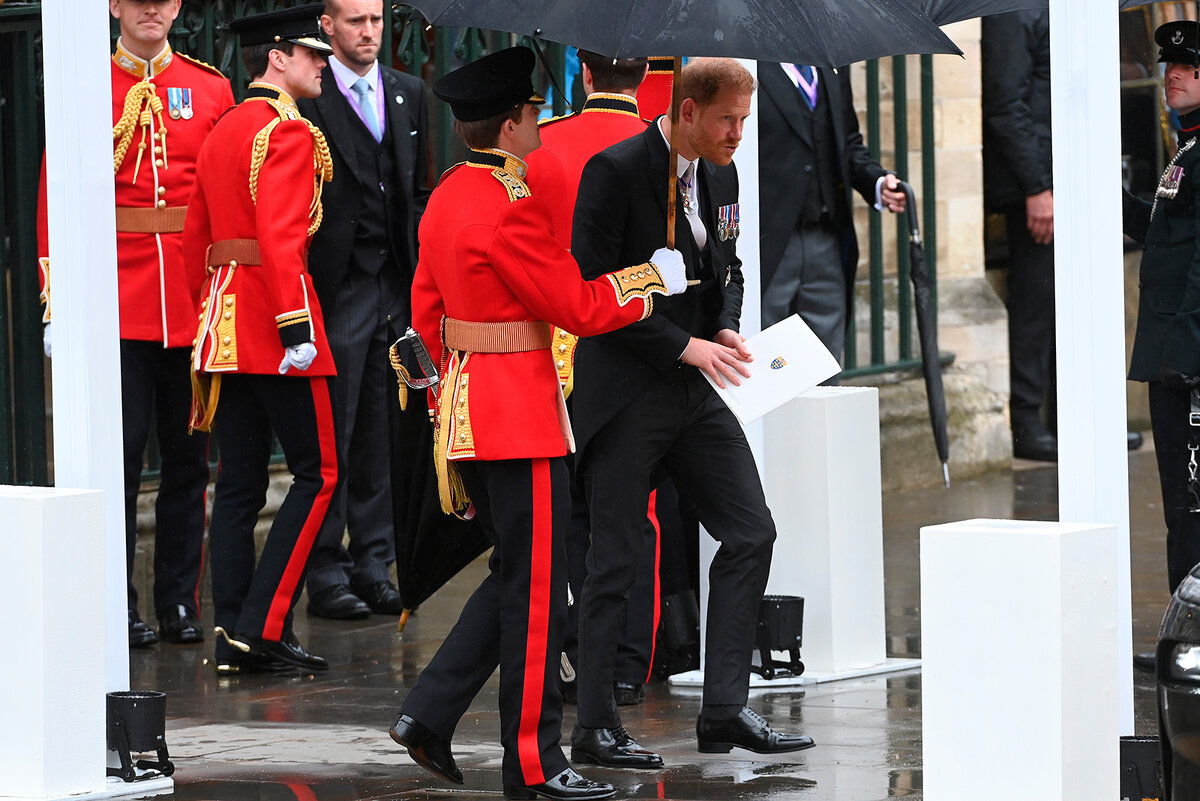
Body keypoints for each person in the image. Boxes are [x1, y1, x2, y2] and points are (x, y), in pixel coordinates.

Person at [385, 45, 686, 801]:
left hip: (466, 409)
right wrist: (652, 278)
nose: (541, 126)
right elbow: (577, 306)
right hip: (518, 415)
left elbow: (426, 310)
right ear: (514, 123)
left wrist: (440, 401)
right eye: (533, 116)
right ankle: (533, 760)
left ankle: (428, 713)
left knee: (522, 574)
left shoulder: (452, 194)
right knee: (538, 591)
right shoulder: (508, 207)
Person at [569, 57, 815, 767]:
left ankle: (725, 708)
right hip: (624, 392)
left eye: (745, 120)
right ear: (685, 111)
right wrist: (683, 344)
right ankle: (594, 723)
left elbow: (730, 266)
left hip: (694, 389)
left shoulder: (725, 171)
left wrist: (728, 326)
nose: (738, 133)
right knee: (614, 558)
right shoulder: (614, 172)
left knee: (749, 530)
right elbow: (592, 292)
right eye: (726, 120)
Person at [37, 0, 233, 649]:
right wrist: (57, 298)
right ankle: (113, 604)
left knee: (187, 462)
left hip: (190, 301)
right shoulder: (88, 85)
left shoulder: (209, 88)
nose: (152, 11)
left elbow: (226, 195)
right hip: (115, 302)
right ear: (115, 6)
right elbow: (53, 193)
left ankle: (178, 600)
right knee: (116, 462)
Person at [183, 4, 338, 675]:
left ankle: (232, 633)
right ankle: (263, 625)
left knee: (239, 482)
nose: (323, 64)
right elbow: (281, 240)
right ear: (278, 58)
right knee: (321, 472)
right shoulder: (286, 131)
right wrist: (295, 325)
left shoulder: (222, 130)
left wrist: (208, 315)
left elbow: (196, 242)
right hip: (277, 322)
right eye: (313, 53)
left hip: (225, 322)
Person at [527, 50, 662, 711]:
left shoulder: (544, 146)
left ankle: (574, 652)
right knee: (633, 514)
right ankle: (630, 662)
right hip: (636, 349)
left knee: (566, 513)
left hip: (558, 349)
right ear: (644, 75)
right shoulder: (662, 149)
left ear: (582, 74)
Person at [294, 0, 430, 621]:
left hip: (395, 284)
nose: (368, 32)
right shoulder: (309, 95)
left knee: (385, 425)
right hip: (339, 284)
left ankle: (375, 562)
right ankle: (326, 570)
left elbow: (418, 189)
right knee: (337, 430)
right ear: (326, 26)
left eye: (375, 19)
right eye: (354, 21)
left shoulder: (408, 92)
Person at [1124, 19, 1200, 671]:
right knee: (1179, 501)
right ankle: (1184, 632)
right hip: (1172, 357)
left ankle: (1192, 637)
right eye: (1170, 68)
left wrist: (1187, 355)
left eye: (1189, 70)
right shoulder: (1185, 151)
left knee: (1194, 500)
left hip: (1189, 363)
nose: (1173, 75)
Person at [757, 61, 905, 361]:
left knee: (823, 362)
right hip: (767, 241)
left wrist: (877, 182)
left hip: (826, 237)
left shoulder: (832, 65)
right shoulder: (744, 62)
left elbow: (847, 143)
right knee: (763, 359)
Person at [981, 10, 1058, 462]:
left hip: (1061, 178)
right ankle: (1028, 424)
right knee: (1036, 303)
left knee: (1065, 306)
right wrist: (1037, 186)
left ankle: (1069, 419)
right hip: (1036, 187)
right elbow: (1006, 104)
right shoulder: (1013, 9)